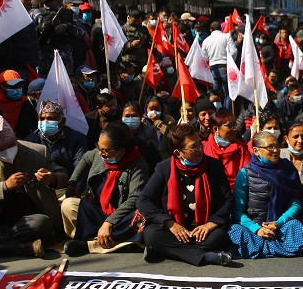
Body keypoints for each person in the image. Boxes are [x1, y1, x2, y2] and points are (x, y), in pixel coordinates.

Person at [0, 115, 67, 258]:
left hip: (28, 215)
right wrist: (5, 186)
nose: (6, 151)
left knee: (41, 223)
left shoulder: (37, 151)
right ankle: (22, 247)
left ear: (15, 138)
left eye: (9, 145)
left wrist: (52, 178)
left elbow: (62, 175)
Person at [137, 124, 233, 266]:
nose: (200, 149)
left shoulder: (213, 165)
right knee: (151, 234)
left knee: (219, 237)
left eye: (200, 143)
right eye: (194, 146)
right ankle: (206, 257)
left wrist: (210, 225)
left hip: (203, 230)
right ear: (178, 153)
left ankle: (165, 251)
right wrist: (170, 223)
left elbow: (227, 200)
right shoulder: (164, 168)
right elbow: (143, 200)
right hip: (174, 230)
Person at [62, 122, 148, 257]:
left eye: (106, 150)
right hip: (99, 210)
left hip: (122, 216)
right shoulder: (99, 155)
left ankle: (91, 245)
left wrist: (109, 222)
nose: (100, 153)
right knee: (68, 205)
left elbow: (134, 198)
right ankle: (120, 243)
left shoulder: (138, 165)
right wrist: (72, 184)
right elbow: (86, 159)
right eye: (99, 147)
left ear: (121, 151)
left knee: (142, 217)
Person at [228, 130, 303, 259]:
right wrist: (256, 229)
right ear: (256, 151)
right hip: (254, 227)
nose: (275, 150)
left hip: (280, 226)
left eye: (277, 146)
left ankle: (261, 249)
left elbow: (296, 202)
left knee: (295, 225)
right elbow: (238, 210)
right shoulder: (245, 173)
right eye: (270, 147)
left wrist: (278, 223)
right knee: (235, 230)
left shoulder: (287, 169)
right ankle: (281, 248)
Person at [24, 100, 88, 173]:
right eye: (42, 119)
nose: (45, 122)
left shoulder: (77, 139)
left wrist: (68, 181)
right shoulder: (30, 141)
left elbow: (80, 168)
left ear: (62, 121)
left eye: (51, 119)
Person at [203, 109, 250, 191]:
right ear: (215, 129)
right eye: (230, 125)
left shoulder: (242, 149)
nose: (235, 129)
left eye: (235, 125)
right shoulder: (204, 148)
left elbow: (247, 175)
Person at [0, 70, 37, 138]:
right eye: (12, 86)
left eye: (19, 86)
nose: (16, 89)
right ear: (1, 87)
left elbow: (35, 124)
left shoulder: (24, 102)